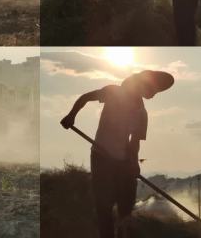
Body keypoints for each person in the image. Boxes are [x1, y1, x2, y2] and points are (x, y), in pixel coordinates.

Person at [60, 70, 175, 238]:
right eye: (155, 90)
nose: (154, 95)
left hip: (123, 162)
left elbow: (133, 142)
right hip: (101, 157)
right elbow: (85, 97)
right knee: (103, 206)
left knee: (126, 208)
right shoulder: (114, 92)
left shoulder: (142, 113)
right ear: (145, 84)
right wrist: (71, 116)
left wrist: (133, 164)